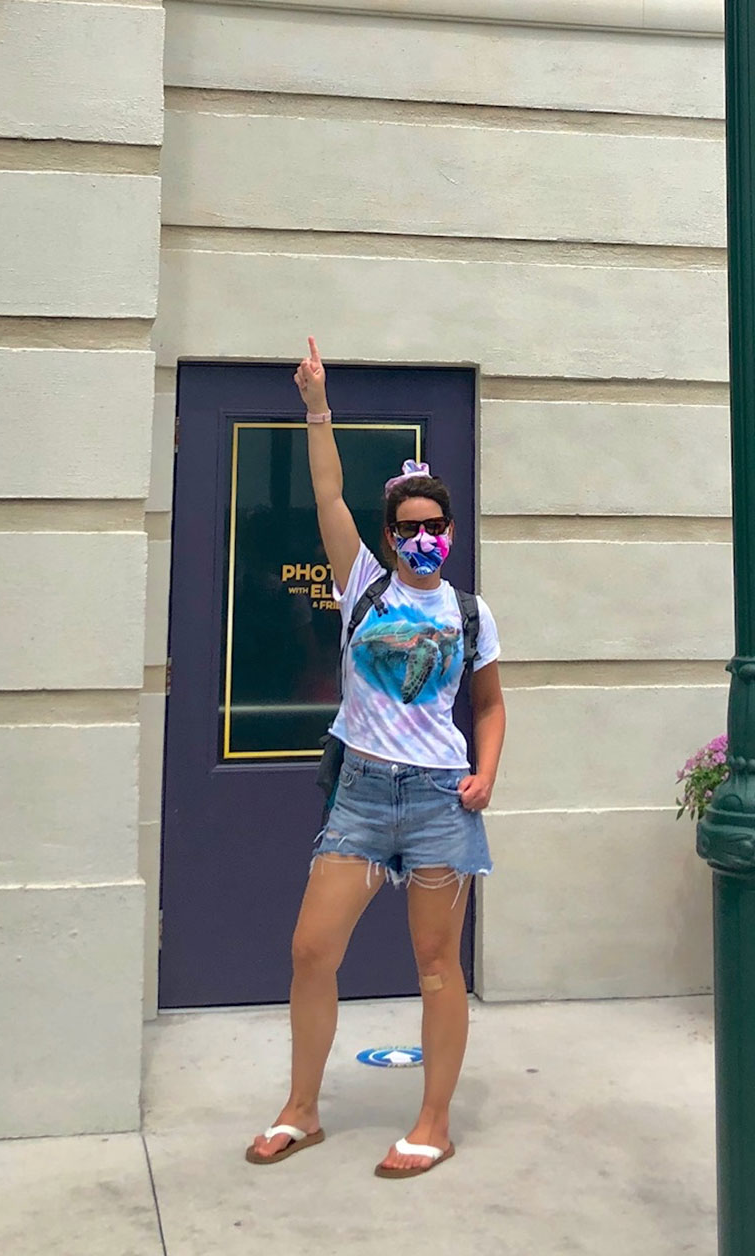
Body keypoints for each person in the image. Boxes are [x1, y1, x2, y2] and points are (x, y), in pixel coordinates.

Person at [247, 337, 505, 1181]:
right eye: (408, 528)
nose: (421, 539)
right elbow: (327, 490)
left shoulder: (471, 613)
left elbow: (491, 706)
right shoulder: (361, 583)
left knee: (437, 967)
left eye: (434, 528)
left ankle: (432, 1121)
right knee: (311, 949)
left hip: (438, 799)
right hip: (360, 795)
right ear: (390, 535)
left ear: (451, 533)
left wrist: (487, 771)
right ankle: (302, 1109)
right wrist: (317, 405)